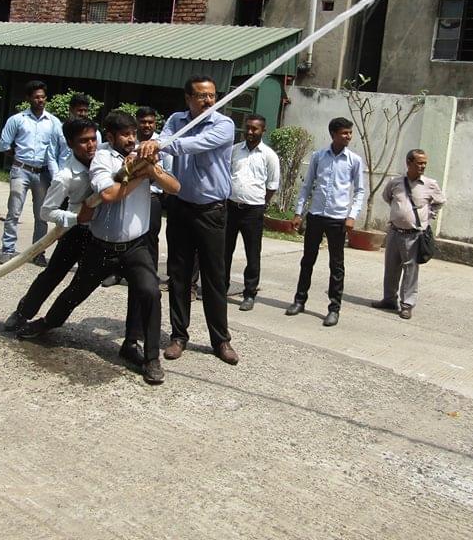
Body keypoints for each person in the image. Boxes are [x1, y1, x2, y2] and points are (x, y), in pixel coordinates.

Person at [17, 111, 180, 385]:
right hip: (101, 246)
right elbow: (108, 194)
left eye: (133, 134)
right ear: (111, 137)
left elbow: (175, 187)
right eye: (125, 135)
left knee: (150, 293)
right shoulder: (102, 158)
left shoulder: (146, 156)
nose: (131, 139)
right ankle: (49, 322)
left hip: (135, 247)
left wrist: (151, 169)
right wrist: (139, 174)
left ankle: (150, 357)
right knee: (75, 292)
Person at [138, 75, 239, 365]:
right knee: (179, 275)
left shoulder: (223, 124)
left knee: (214, 277)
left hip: (212, 211)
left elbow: (194, 144)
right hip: (180, 207)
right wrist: (154, 146)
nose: (208, 100)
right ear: (188, 98)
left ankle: (221, 340)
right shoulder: (175, 120)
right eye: (201, 96)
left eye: (212, 95)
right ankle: (178, 336)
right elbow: (164, 142)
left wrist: (160, 144)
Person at [3, 118, 99, 332]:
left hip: (101, 233)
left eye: (93, 139)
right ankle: (23, 313)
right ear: (70, 143)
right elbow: (46, 211)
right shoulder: (65, 176)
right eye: (83, 141)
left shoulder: (104, 162)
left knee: (84, 281)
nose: (91, 145)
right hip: (76, 231)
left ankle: (51, 321)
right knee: (53, 274)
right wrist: (75, 218)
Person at [286, 117, 365, 327]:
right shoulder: (318, 156)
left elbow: (359, 190)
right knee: (307, 260)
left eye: (350, 133)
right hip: (316, 216)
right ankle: (299, 300)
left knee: (336, 265)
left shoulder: (354, 160)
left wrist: (352, 215)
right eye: (344, 133)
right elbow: (307, 186)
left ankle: (334, 308)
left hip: (338, 219)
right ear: (333, 134)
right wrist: (298, 212)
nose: (348, 136)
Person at [102, 106, 171, 288]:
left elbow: (167, 172)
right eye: (143, 122)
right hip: (124, 194)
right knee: (121, 234)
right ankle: (117, 273)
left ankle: (150, 275)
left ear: (155, 123)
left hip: (151, 197)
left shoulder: (162, 143)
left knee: (149, 238)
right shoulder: (128, 141)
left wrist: (149, 173)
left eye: (150, 122)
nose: (147, 125)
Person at [0, 81, 65, 267]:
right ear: (28, 98)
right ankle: (8, 250)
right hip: (21, 170)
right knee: (14, 211)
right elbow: (4, 144)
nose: (40, 100)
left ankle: (38, 253)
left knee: (41, 215)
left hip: (43, 174)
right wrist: (18, 158)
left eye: (43, 97)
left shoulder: (53, 122)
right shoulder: (17, 120)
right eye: (36, 97)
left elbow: (61, 147)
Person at [377, 148, 445, 320]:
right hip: (394, 232)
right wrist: (400, 212)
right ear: (409, 163)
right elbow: (387, 197)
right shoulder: (395, 183)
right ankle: (389, 299)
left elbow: (440, 201)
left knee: (410, 271)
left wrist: (428, 215)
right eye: (419, 163)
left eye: (424, 163)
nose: (423, 166)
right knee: (391, 267)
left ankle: (407, 305)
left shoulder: (430, 185)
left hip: (414, 236)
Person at [225, 114, 280, 311]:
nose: (249, 132)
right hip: (231, 208)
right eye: (247, 127)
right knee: (224, 251)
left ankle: (249, 293)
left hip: (253, 211)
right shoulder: (234, 151)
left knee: (253, 254)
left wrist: (260, 203)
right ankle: (221, 288)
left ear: (263, 130)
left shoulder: (269, 155)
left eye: (254, 129)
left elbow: (272, 185)